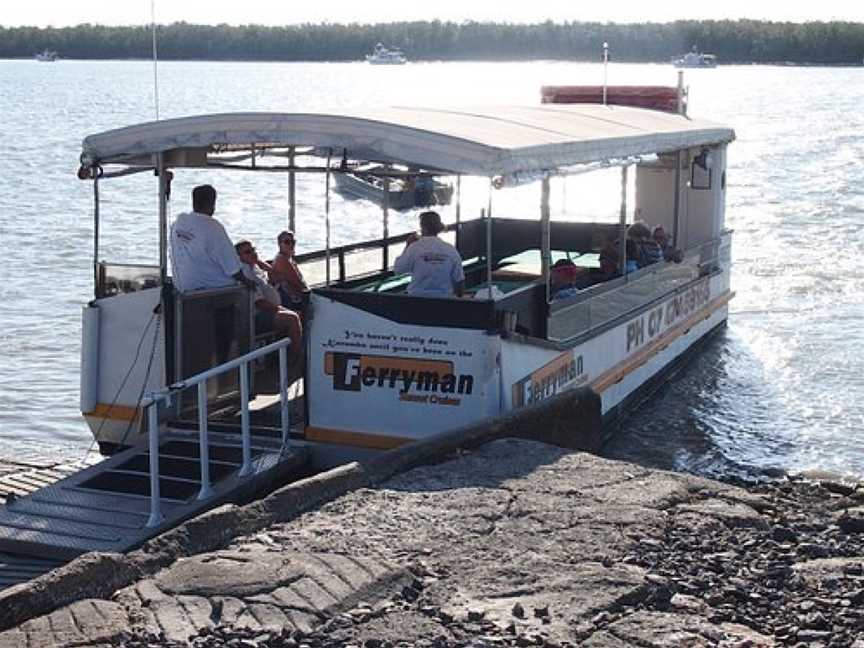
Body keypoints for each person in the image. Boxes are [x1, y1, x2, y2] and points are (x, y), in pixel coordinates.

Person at [169, 184, 253, 292]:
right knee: (249, 276)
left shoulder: (178, 223)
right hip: (213, 293)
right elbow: (233, 269)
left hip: (184, 289)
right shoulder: (213, 227)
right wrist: (248, 282)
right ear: (212, 203)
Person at [235, 240, 303, 362]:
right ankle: (297, 359)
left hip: (269, 311)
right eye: (248, 252)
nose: (253, 253)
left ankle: (283, 357)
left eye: (253, 249)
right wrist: (280, 309)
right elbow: (259, 303)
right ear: (239, 257)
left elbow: (275, 275)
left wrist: (260, 262)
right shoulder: (246, 274)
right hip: (257, 317)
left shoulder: (255, 268)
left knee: (298, 313)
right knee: (293, 318)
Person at [393, 211, 464, 297]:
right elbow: (459, 281)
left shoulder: (414, 248)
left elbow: (398, 270)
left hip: (417, 299)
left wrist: (407, 246)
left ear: (422, 227)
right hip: (444, 301)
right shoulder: (451, 250)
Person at [268, 231, 309, 314]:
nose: (291, 244)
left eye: (293, 242)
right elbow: (298, 283)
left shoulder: (288, 259)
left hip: (291, 300)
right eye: (287, 242)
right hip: (288, 302)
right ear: (280, 244)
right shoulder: (282, 260)